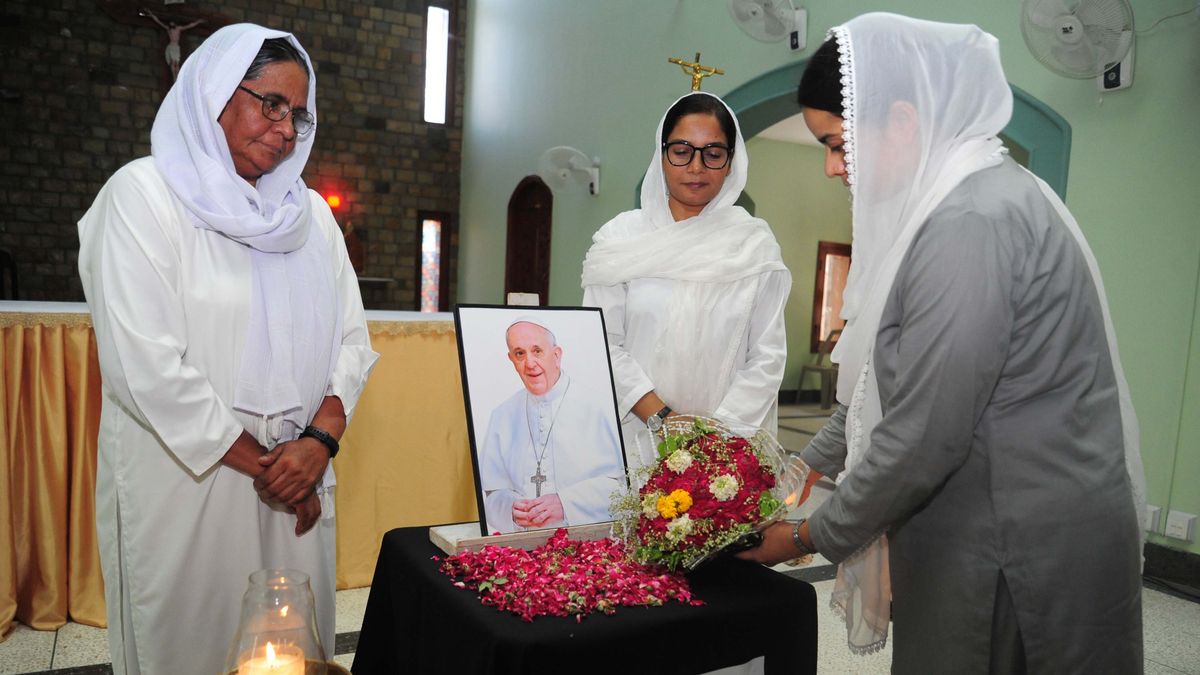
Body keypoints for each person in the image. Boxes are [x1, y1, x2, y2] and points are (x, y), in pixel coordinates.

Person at [737, 14, 1146, 673]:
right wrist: (801, 467)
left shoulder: (971, 223)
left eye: (839, 142)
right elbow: (878, 379)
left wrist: (808, 534)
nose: (833, 166)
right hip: (984, 522)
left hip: (1018, 545)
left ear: (900, 122)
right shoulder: (945, 206)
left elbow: (922, 434)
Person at [77, 24, 378, 675]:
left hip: (300, 479)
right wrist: (275, 468)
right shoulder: (142, 197)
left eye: (299, 114)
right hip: (194, 487)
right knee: (191, 647)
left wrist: (317, 445)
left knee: (294, 647)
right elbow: (146, 368)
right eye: (269, 102)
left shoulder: (310, 219)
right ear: (213, 92)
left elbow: (353, 344)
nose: (286, 127)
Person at [581, 92, 791, 473]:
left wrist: (717, 436)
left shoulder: (753, 245)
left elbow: (767, 356)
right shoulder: (619, 240)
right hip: (634, 436)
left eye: (713, 153)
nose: (696, 166)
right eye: (682, 150)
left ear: (731, 162)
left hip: (726, 451)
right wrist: (663, 418)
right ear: (661, 155)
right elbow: (600, 342)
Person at [478, 319, 625, 533]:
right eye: (520, 353)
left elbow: (622, 488)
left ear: (556, 355)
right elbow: (491, 494)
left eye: (537, 351)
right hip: (521, 549)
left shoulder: (599, 407)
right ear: (511, 360)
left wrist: (566, 504)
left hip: (587, 544)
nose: (529, 363)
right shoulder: (502, 415)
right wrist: (511, 509)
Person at [143, 9, 205, 81]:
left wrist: (198, 22)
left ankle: (177, 78)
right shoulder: (169, 29)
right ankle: (174, 78)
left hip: (176, 47)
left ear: (175, 23)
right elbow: (158, 21)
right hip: (171, 46)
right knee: (173, 63)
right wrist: (151, 14)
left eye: (172, 23)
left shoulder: (178, 29)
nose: (171, 24)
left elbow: (189, 26)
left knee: (177, 63)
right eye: (170, 23)